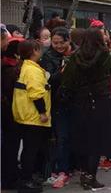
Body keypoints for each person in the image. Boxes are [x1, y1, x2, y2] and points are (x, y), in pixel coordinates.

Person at [60, 28, 111, 190]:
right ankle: (91, 176)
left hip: (79, 102)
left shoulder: (75, 57)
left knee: (83, 138)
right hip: (100, 101)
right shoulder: (104, 56)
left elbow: (67, 81)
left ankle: (84, 174)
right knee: (96, 140)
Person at [12, 40, 49, 193]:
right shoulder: (32, 70)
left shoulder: (26, 67)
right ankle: (26, 180)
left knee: (29, 149)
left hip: (24, 115)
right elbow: (36, 94)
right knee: (30, 150)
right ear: (34, 50)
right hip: (33, 116)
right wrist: (42, 113)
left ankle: (27, 178)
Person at [39, 27, 74, 189]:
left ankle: (70, 167)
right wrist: (62, 71)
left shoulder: (75, 53)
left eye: (62, 42)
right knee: (61, 137)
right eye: (55, 43)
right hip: (57, 102)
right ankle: (61, 170)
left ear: (69, 41)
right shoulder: (47, 56)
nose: (59, 46)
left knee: (71, 136)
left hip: (75, 101)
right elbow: (49, 80)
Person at [1, 34, 24, 190]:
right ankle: (9, 177)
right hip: (10, 114)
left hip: (8, 113)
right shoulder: (12, 71)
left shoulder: (6, 67)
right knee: (10, 146)